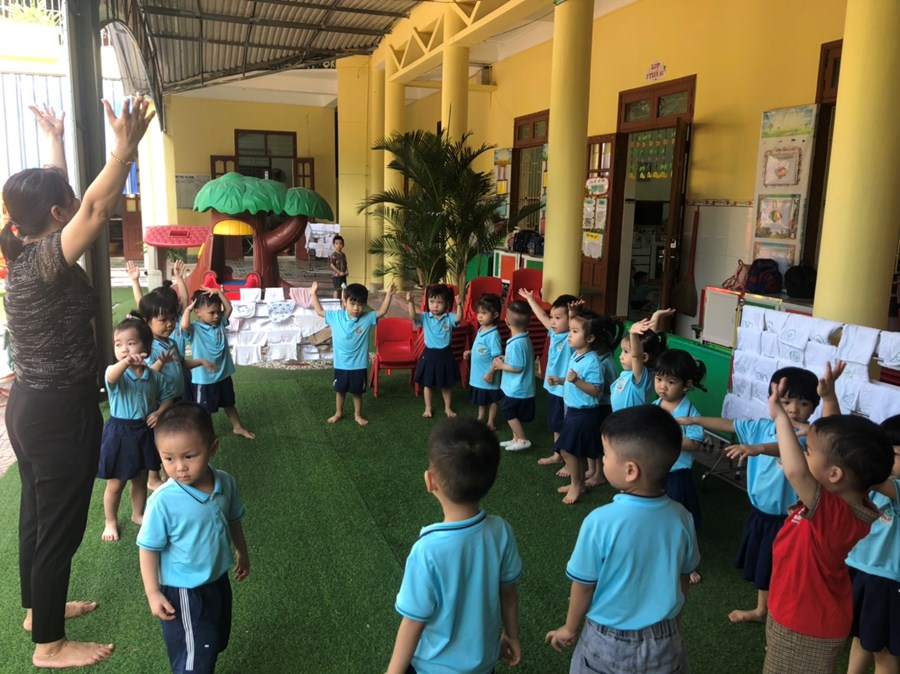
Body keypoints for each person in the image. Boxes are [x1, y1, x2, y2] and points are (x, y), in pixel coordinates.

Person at [2, 97, 153, 667]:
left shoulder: (22, 244)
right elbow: (91, 205)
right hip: (57, 412)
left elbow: (65, 198)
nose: (72, 202)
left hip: (31, 406)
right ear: (55, 215)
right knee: (59, 528)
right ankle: (49, 646)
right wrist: (123, 152)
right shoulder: (45, 260)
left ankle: (37, 610)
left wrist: (55, 140)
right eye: (63, 201)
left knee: (37, 516)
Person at [545, 405, 700, 674]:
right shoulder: (683, 517)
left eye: (606, 455)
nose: (603, 461)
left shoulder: (599, 521)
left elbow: (584, 585)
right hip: (665, 637)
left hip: (607, 639)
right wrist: (674, 625)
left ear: (630, 470)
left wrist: (569, 628)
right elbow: (683, 578)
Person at [763, 382, 893, 674]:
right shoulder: (841, 500)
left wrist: (781, 416)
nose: (802, 456)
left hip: (805, 624)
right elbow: (833, 450)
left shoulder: (836, 516)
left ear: (834, 474)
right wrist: (828, 398)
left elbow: (795, 471)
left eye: (807, 452)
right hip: (794, 611)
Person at [681, 365, 822, 624]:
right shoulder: (760, 427)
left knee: (786, 570)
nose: (793, 409)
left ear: (814, 407)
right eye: (786, 402)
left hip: (790, 519)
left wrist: (757, 448)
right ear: (773, 401)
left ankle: (781, 617)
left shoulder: (809, 435)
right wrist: (695, 421)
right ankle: (761, 610)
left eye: (803, 403)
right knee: (763, 564)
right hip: (759, 513)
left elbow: (784, 447)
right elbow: (730, 424)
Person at [387, 418, 522, 674]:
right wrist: (512, 635)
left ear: (430, 481)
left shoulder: (426, 551)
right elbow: (508, 593)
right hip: (483, 665)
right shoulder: (501, 531)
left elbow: (413, 621)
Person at [137, 403, 250, 674]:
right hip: (184, 591)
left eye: (189, 456)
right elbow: (148, 548)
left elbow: (233, 520)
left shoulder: (226, 483)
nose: (180, 468)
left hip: (217, 579)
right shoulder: (163, 501)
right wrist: (152, 592)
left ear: (212, 448)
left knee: (214, 640)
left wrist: (242, 552)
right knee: (194, 657)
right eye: (168, 459)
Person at [98, 316, 176, 542]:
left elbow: (167, 398)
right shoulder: (117, 373)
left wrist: (159, 412)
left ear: (146, 346)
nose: (124, 348)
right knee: (115, 483)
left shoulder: (153, 376)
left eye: (131, 343)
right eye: (118, 344)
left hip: (144, 432)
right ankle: (110, 521)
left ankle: (137, 513)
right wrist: (125, 362)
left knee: (140, 479)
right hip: (120, 433)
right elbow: (111, 376)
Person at [139, 287, 215, 489]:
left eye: (172, 319)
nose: (170, 324)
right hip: (160, 403)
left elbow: (181, 365)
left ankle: (169, 475)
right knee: (160, 439)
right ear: (147, 322)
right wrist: (160, 363)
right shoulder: (149, 348)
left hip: (176, 398)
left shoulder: (171, 342)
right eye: (163, 320)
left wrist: (200, 362)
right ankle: (153, 478)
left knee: (173, 438)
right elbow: (147, 376)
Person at [845, 414, 900, 674]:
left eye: (895, 455)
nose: (887, 460)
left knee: (883, 650)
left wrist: (847, 455)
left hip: (886, 581)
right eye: (885, 453)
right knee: (861, 635)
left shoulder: (887, 484)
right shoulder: (876, 484)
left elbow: (870, 477)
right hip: (859, 568)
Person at [311, 280, 396, 426]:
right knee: (340, 390)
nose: (356, 308)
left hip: (359, 365)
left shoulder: (367, 318)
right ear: (344, 302)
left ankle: (357, 414)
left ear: (365, 304)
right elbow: (319, 311)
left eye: (360, 304)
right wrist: (313, 294)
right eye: (352, 303)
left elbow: (382, 312)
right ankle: (338, 412)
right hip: (341, 364)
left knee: (357, 392)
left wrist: (389, 295)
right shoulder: (336, 316)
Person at [181, 288, 255, 439]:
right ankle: (205, 434)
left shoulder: (220, 322)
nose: (216, 315)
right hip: (204, 379)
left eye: (218, 312)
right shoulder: (194, 329)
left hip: (223, 374)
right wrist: (187, 310)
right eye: (212, 313)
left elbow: (229, 308)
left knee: (229, 403)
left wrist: (219, 293)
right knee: (204, 410)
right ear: (198, 312)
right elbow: (184, 326)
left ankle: (238, 427)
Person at [517, 289, 577, 467]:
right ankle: (557, 454)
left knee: (568, 426)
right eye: (552, 317)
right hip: (553, 389)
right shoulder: (554, 333)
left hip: (567, 390)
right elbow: (542, 316)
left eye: (558, 318)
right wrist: (531, 299)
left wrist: (574, 314)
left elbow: (575, 323)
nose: (552, 321)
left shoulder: (572, 338)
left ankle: (570, 461)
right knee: (556, 424)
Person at [652, 349, 706, 537]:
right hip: (654, 469)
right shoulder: (654, 406)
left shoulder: (692, 414)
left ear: (686, 385)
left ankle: (679, 544)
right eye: (659, 379)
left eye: (671, 382)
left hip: (678, 473)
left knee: (678, 516)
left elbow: (695, 443)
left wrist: (667, 437)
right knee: (654, 510)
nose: (662, 386)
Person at [553, 310, 605, 505]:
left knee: (567, 450)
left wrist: (576, 381)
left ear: (590, 338)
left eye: (575, 331)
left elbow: (595, 390)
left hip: (585, 414)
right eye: (570, 330)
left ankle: (576, 485)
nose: (569, 335)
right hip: (574, 411)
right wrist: (560, 380)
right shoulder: (577, 355)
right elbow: (573, 381)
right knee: (575, 450)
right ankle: (580, 483)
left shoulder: (592, 361)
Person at [408, 284, 464, 418]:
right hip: (430, 354)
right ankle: (428, 408)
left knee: (447, 384)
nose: (435, 305)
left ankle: (448, 408)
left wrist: (459, 305)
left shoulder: (449, 317)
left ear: (447, 304)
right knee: (427, 384)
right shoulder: (425, 317)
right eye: (432, 301)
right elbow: (413, 315)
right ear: (428, 302)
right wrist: (410, 302)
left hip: (446, 354)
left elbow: (458, 318)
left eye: (439, 302)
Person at [584, 314, 625, 488]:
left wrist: (596, 387)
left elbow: (614, 388)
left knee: (599, 442)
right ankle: (592, 469)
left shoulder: (606, 362)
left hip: (604, 407)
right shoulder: (595, 358)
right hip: (596, 405)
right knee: (592, 439)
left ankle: (600, 474)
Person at [493, 300, 535, 452]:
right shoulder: (524, 338)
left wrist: (500, 366)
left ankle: (522, 439)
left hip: (517, 389)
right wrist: (506, 359)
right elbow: (519, 360)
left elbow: (517, 367)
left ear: (506, 321)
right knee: (514, 413)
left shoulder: (517, 343)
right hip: (519, 387)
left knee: (509, 412)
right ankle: (515, 438)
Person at [611, 309, 672, 412]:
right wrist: (656, 315)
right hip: (619, 418)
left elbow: (637, 356)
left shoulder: (640, 377)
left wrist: (633, 334)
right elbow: (650, 338)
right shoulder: (635, 372)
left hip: (629, 420)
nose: (621, 356)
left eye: (626, 352)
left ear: (644, 358)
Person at [463, 293, 504, 429]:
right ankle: (480, 418)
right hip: (479, 375)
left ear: (495, 314)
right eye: (478, 313)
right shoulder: (481, 329)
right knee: (482, 399)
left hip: (489, 375)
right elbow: (480, 347)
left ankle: (491, 422)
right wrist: (471, 351)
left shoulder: (494, 335)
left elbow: (498, 358)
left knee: (492, 400)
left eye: (484, 313)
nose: (479, 316)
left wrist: (491, 372)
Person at [328, 235, 348, 299]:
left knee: (343, 288)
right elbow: (331, 265)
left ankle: (343, 301)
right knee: (337, 289)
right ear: (334, 245)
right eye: (337, 244)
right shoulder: (333, 255)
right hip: (336, 276)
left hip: (343, 275)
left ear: (343, 245)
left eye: (340, 244)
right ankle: (335, 302)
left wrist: (347, 270)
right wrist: (339, 272)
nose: (339, 245)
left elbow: (345, 263)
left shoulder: (343, 254)